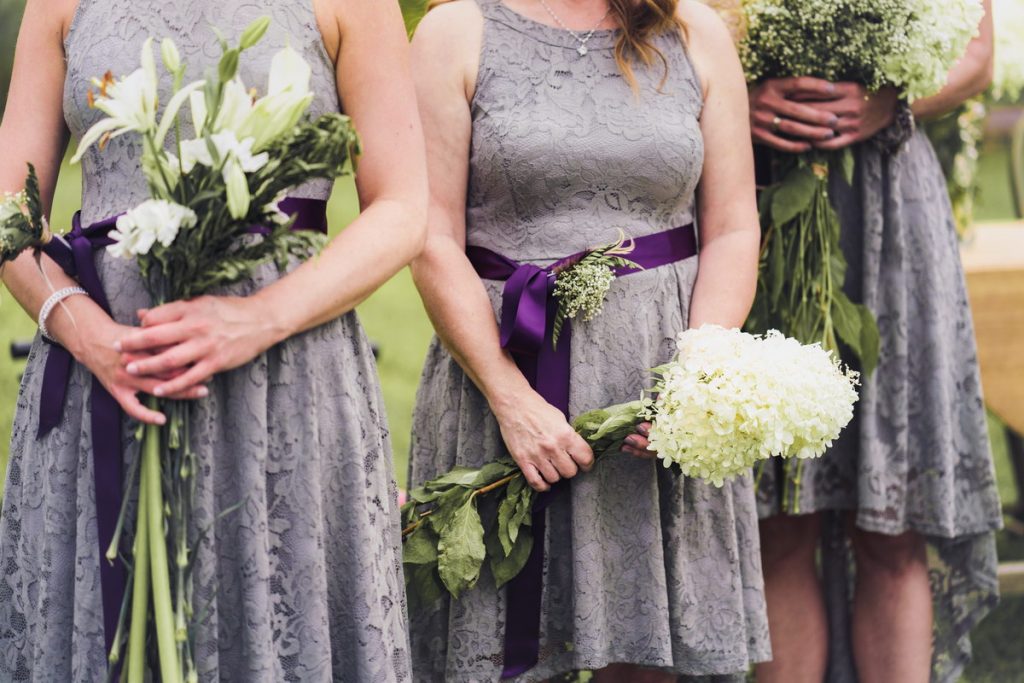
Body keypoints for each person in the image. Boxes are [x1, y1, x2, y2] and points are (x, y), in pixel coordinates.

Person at [0, 0, 426, 679]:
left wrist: (258, 318)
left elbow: (403, 207)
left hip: (283, 383)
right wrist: (88, 333)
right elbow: (9, 211)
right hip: (100, 381)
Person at [406, 0, 769, 679]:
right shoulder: (456, 31)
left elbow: (732, 227)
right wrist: (510, 399)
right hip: (506, 367)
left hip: (656, 376)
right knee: (495, 643)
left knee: (644, 652)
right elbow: (430, 236)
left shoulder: (693, 30)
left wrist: (694, 383)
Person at [746, 3, 1003, 681]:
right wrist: (736, 97)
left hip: (890, 195)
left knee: (893, 523)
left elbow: (978, 53)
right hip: (758, 197)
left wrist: (894, 100)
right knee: (778, 519)